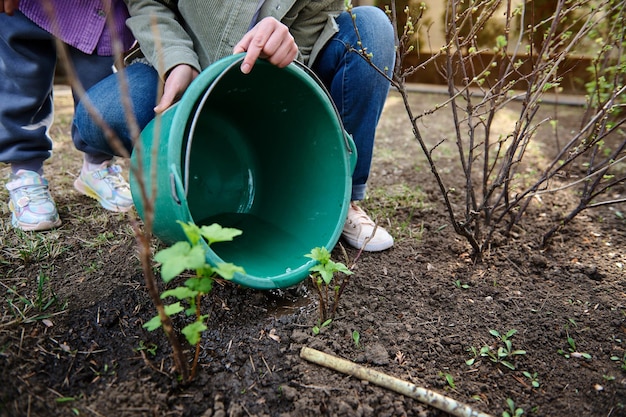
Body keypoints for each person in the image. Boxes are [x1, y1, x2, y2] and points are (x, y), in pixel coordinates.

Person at [73, 1, 395, 251]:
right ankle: (178, 155)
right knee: (101, 115)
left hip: (264, 79)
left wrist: (285, 45)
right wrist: (176, 60)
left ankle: (339, 196)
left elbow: (311, 33)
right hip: (183, 62)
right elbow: (149, 2)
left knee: (370, 26)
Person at [0, 0, 136, 232]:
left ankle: (97, 166)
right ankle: (26, 170)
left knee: (99, 86)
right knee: (23, 81)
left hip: (103, 9)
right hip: (31, 5)